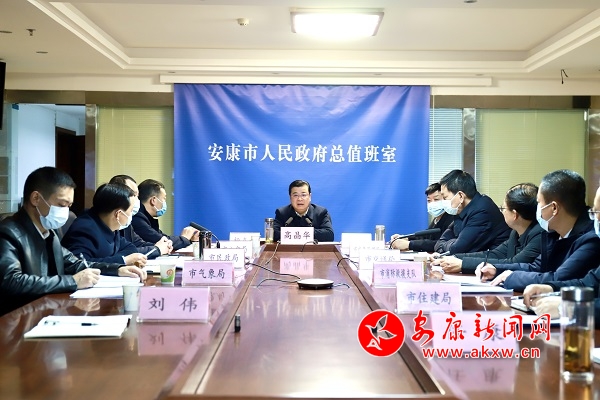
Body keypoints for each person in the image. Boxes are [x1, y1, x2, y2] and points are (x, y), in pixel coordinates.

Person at [0, 167, 145, 316]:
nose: (66, 211)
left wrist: (117, 269)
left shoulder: (49, 233)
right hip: (17, 318)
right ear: (36, 198)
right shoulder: (9, 232)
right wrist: (72, 281)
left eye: (69, 206)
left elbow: (76, 263)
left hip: (45, 310)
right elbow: (11, 282)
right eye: (62, 205)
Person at [478, 170, 600, 292]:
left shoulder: (591, 239)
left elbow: (558, 278)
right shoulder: (555, 233)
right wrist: (496, 269)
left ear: (554, 208)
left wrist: (512, 277)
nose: (537, 208)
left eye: (538, 202)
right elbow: (536, 267)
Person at [434, 183, 543, 274]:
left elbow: (514, 263)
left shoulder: (539, 234)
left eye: (503, 208)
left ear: (514, 215)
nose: (502, 212)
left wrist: (463, 264)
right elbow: (495, 254)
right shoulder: (515, 232)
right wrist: (453, 258)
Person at [62, 183, 149, 266]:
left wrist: (114, 259)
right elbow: (80, 264)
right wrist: (123, 260)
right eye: (131, 211)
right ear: (118, 214)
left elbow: (130, 248)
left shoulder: (110, 226)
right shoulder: (84, 230)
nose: (131, 215)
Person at [433, 169, 511, 254]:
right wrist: (452, 243)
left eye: (445, 197)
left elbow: (457, 249)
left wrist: (448, 244)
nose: (443, 202)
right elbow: (439, 243)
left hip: (495, 260)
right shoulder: (461, 209)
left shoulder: (482, 211)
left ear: (461, 196)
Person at [109, 175, 172, 258]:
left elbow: (136, 245)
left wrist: (162, 246)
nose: (137, 200)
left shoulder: (126, 222)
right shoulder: (136, 218)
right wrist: (157, 249)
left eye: (137, 196)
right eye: (133, 195)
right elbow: (121, 254)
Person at [132, 179, 198, 251]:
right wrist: (184, 238)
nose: (164, 203)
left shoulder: (146, 218)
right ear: (153, 200)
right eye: (164, 198)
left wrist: (188, 240)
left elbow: (163, 238)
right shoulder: (137, 218)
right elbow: (160, 240)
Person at [390, 182, 454, 252]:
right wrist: (406, 238)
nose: (432, 203)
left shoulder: (452, 219)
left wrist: (409, 244)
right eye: (429, 200)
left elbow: (440, 243)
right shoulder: (436, 219)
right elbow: (426, 237)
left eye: (436, 199)